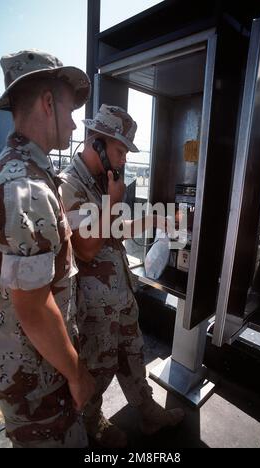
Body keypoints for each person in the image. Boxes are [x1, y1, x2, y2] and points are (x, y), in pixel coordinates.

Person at [0, 50, 95, 448]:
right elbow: (32, 307)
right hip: (37, 379)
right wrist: (77, 373)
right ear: (48, 103)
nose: (74, 120)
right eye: (69, 107)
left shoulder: (21, 171)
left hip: (28, 368)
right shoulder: (25, 186)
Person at [59, 104, 185, 448]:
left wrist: (155, 220)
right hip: (95, 310)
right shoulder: (69, 186)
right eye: (120, 150)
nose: (125, 159)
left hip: (120, 296)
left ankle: (147, 412)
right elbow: (85, 247)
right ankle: (93, 425)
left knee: (133, 357)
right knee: (97, 371)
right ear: (97, 142)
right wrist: (112, 203)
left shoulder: (102, 183)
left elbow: (116, 229)